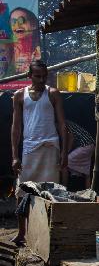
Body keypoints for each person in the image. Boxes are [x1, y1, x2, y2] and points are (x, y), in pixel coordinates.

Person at [10, 60, 67, 245]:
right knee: (21, 192)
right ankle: (21, 233)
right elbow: (16, 127)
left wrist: (64, 152)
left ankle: (52, 234)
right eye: (37, 76)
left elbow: (61, 124)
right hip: (29, 149)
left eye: (44, 76)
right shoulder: (19, 95)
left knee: (51, 192)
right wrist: (15, 156)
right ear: (29, 76)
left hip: (50, 148)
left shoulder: (53, 94)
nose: (42, 79)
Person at [61, 120, 95, 190]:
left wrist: (65, 153)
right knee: (86, 172)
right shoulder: (69, 123)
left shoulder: (64, 124)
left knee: (65, 163)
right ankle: (89, 193)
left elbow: (71, 138)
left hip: (85, 145)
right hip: (91, 145)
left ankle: (63, 188)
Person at [9, 7, 41, 74]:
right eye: (13, 22)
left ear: (33, 25)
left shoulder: (43, 49)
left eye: (22, 20)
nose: (17, 25)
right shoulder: (8, 50)